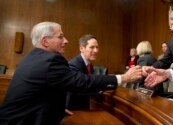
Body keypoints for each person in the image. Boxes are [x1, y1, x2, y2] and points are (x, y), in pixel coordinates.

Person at [0, 22, 142, 125]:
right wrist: (123, 77)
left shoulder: (32, 57)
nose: (66, 41)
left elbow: (42, 92)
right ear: (45, 41)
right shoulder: (50, 60)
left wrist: (57, 109)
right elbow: (82, 81)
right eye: (60, 37)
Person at [66, 34, 100, 110]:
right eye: (92, 47)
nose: (96, 50)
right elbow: (77, 91)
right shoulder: (73, 65)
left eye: (97, 47)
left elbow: (88, 83)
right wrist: (97, 93)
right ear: (81, 48)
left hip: (84, 106)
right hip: (73, 109)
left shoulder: (89, 64)